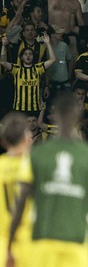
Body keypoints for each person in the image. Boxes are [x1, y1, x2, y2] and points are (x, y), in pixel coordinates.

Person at [6, 93, 88, 267]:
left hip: (42, 243)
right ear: (78, 115)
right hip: (77, 244)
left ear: (55, 115)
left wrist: (10, 244)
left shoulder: (37, 154)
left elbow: (21, 203)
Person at [0, 114, 32, 267]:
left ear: (4, 141)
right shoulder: (36, 167)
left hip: (3, 243)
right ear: (28, 139)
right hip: (30, 242)